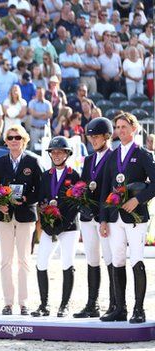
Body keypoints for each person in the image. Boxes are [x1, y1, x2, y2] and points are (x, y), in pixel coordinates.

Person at [99, 112, 155, 324]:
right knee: (118, 260)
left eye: (124, 127)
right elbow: (105, 187)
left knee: (137, 259)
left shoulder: (143, 154)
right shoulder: (112, 156)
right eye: (118, 127)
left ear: (134, 129)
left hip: (135, 217)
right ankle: (119, 308)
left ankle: (139, 309)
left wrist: (138, 199)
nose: (120, 131)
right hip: (115, 217)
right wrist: (103, 218)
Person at [0, 125, 43, 315]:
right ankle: (8, 302)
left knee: (24, 260)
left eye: (17, 137)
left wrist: (29, 199)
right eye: (10, 138)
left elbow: (41, 189)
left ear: (24, 140)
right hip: (3, 216)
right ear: (6, 141)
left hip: (25, 215)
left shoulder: (33, 162)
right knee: (5, 260)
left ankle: (24, 302)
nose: (13, 141)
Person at [32, 136, 80, 318]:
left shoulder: (74, 175)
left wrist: (61, 225)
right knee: (41, 262)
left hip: (68, 226)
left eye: (60, 152)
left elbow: (75, 204)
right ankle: (44, 304)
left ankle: (64, 305)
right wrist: (47, 224)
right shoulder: (46, 176)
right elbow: (42, 202)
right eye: (54, 152)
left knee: (67, 263)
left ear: (67, 154)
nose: (57, 155)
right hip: (49, 227)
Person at [73, 117, 114, 319]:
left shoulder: (113, 157)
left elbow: (112, 189)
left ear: (107, 136)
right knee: (91, 259)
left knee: (110, 258)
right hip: (88, 216)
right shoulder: (89, 159)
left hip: (105, 216)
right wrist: (82, 203)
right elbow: (83, 185)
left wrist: (103, 213)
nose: (93, 141)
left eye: (96, 137)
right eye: (90, 137)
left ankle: (114, 303)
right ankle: (92, 304)